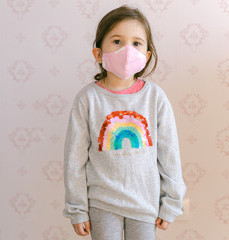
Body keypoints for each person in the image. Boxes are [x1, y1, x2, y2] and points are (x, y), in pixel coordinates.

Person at [62, 5, 187, 240]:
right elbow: (74, 159)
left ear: (147, 54)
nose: (127, 50)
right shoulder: (87, 99)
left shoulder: (155, 98)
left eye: (136, 43)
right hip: (102, 203)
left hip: (145, 204)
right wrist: (77, 209)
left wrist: (171, 202)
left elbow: (169, 153)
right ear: (98, 53)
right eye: (117, 41)